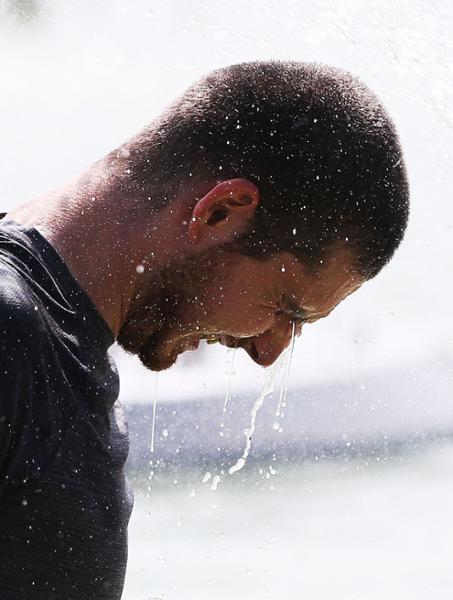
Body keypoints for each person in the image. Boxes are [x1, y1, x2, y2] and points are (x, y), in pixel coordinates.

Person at [0, 61, 409, 599]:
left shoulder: (53, 343)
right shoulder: (11, 333)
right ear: (219, 213)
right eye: (285, 310)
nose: (268, 352)